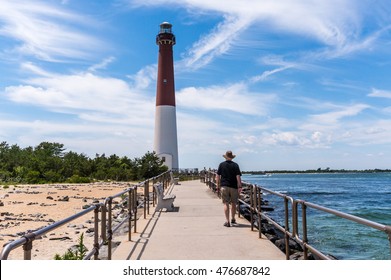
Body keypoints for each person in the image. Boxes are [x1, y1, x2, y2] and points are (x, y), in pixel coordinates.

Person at [216, 150, 242, 227]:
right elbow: (238, 176)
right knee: (234, 203)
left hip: (224, 186)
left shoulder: (221, 164)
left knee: (226, 203)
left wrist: (217, 186)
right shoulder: (235, 165)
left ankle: (227, 221)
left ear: (226, 157)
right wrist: (240, 186)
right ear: (232, 157)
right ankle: (233, 219)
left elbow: (217, 176)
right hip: (233, 187)